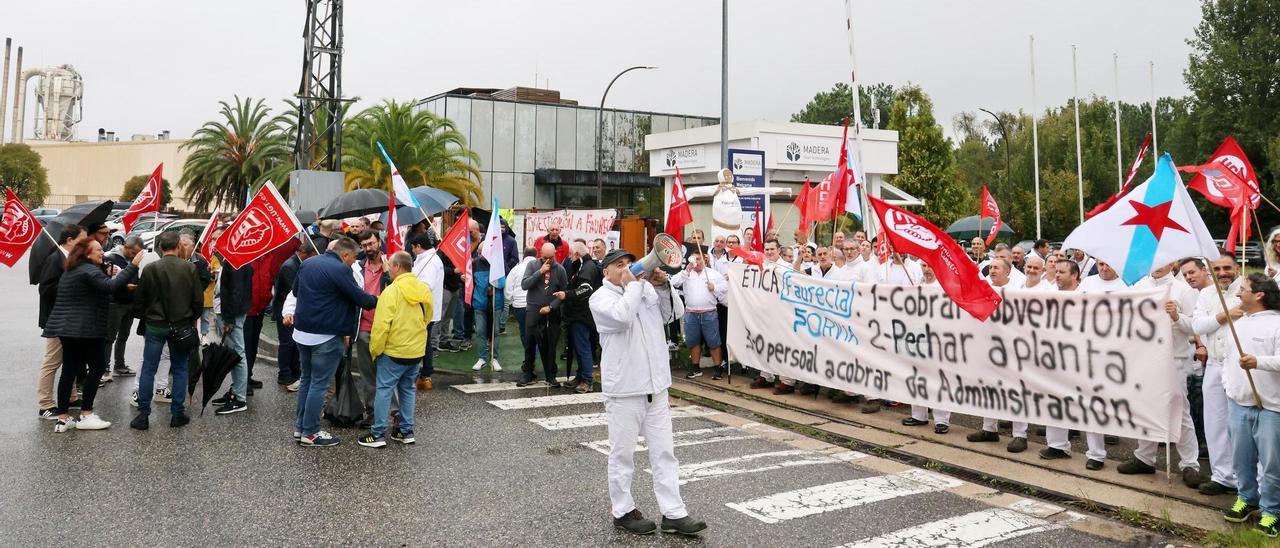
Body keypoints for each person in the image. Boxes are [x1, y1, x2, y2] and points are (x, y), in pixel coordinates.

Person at [590, 249, 708, 536]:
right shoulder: (600, 298)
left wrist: (662, 285)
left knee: (665, 452)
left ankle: (674, 513)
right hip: (625, 390)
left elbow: (673, 314)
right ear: (606, 272)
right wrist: (634, 286)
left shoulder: (643, 289)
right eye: (619, 265)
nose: (627, 268)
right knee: (622, 455)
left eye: (630, 264)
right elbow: (622, 317)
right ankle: (623, 511)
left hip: (656, 386)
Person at [284, 237, 378, 447]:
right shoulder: (341, 269)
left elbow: (297, 292)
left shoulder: (308, 263)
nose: (353, 263)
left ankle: (301, 428)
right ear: (345, 254)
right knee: (319, 384)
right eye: (353, 258)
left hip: (302, 333)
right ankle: (310, 432)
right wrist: (379, 299)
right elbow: (361, 299)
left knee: (307, 380)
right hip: (326, 335)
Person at [1117, 261, 1202, 486]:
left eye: (1163, 261)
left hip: (1174, 358)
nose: (1157, 265)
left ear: (1173, 262)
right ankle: (1145, 457)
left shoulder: (1183, 290)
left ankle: (1190, 463)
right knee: (1146, 407)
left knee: (1179, 410)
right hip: (1145, 358)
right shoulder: (1139, 287)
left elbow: (1195, 326)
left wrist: (1176, 316)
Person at [44, 238, 142, 432]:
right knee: (97, 367)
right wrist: (133, 266)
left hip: (65, 328)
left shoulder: (73, 270)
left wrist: (105, 273)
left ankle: (63, 419)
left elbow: (97, 287)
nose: (102, 252)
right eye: (98, 250)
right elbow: (110, 287)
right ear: (87, 254)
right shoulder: (88, 270)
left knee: (69, 370)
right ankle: (86, 414)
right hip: (85, 329)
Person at [1219, 273, 1280, 537]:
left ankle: (1272, 511)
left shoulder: (1277, 323)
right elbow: (1227, 359)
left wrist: (1258, 362)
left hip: (1272, 408)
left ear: (1259, 295)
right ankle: (1246, 498)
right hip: (1238, 403)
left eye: (1243, 289)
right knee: (1240, 459)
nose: (1237, 293)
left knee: (1272, 464)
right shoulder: (1238, 324)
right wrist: (1228, 385)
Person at [1039, 260, 1112, 470]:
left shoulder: (1087, 297)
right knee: (1055, 399)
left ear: (1075, 276)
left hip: (1083, 357)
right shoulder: (1049, 295)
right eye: (1056, 271)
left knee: (1090, 403)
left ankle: (1096, 454)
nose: (1057, 275)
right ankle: (1057, 445)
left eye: (1062, 272)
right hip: (1056, 356)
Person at [128, 232, 203, 430]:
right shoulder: (189, 268)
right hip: (180, 325)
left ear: (161, 248)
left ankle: (143, 414)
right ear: (178, 247)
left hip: (155, 324)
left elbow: (140, 298)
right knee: (180, 368)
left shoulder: (151, 268)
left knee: (149, 368)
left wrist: (144, 315)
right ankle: (177, 413)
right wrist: (191, 318)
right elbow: (197, 300)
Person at [1182, 253, 1243, 495]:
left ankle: (1247, 481)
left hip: (1241, 365)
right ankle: (1222, 476)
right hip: (1215, 364)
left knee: (1241, 425)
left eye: (1227, 268)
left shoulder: (1247, 290)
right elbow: (1198, 326)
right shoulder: (1206, 294)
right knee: (1214, 422)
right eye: (1217, 269)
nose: (1222, 273)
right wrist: (1223, 316)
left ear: (1237, 267)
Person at [358, 251, 432, 448]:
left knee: (384, 390)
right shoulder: (423, 289)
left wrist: (375, 349)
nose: (388, 269)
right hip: (415, 350)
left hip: (393, 350)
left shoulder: (391, 292)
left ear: (398, 267)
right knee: (408, 390)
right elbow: (427, 317)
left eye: (390, 266)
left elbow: (381, 326)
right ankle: (406, 431)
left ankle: (377, 434)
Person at [966, 258, 1030, 451]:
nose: (992, 270)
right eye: (991, 267)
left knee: (1015, 390)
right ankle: (989, 429)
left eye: (996, 268)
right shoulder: (984, 287)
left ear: (1007, 272)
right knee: (988, 387)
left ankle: (1020, 434)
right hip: (988, 345)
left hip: (1012, 347)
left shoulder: (1018, 291)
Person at [35, 224, 87, 420]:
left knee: (70, 358)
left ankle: (71, 397)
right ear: (70, 240)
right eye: (82, 239)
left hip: (71, 318)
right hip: (56, 319)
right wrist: (70, 283)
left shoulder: (73, 259)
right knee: (52, 361)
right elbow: (45, 289)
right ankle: (45, 404)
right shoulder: (54, 259)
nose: (85, 243)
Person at [902, 262, 950, 432]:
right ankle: (918, 415)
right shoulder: (916, 284)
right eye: (923, 266)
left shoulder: (943, 286)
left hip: (938, 339)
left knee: (938, 379)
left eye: (930, 266)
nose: (927, 269)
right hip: (918, 337)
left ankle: (941, 420)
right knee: (917, 376)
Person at [352, 230, 393, 427]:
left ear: (379, 243)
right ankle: (372, 412)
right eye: (365, 245)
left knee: (388, 373)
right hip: (364, 327)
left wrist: (388, 272)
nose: (368, 248)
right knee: (367, 374)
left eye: (371, 243)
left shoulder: (392, 266)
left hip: (387, 328)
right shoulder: (357, 268)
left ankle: (395, 414)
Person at [518, 242, 568, 387]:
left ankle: (550, 375)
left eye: (551, 258)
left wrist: (552, 306)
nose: (548, 261)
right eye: (545, 257)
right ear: (540, 254)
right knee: (529, 343)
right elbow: (524, 285)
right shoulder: (532, 265)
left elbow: (563, 294)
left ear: (555, 254)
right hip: (533, 310)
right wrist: (540, 272)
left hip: (551, 313)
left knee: (550, 345)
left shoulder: (560, 270)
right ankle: (528, 373)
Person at [671, 254, 726, 381]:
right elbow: (673, 282)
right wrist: (686, 271)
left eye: (698, 259)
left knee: (713, 341)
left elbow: (725, 286)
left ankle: (718, 368)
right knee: (693, 342)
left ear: (704, 260)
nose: (696, 262)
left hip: (709, 312)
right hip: (691, 313)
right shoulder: (686, 273)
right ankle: (695, 368)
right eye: (694, 259)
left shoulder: (713, 273)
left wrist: (715, 287)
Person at [211, 254, 253, 415]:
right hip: (231, 312)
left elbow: (235, 291)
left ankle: (239, 398)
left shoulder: (235, 260)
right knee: (234, 353)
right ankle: (236, 391)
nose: (215, 245)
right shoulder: (237, 259)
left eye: (217, 241)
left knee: (237, 354)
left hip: (231, 314)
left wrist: (229, 319)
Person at [558, 241, 602, 393]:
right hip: (578, 314)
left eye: (571, 254)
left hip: (582, 315)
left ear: (577, 254)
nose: (569, 258)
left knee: (583, 348)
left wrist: (567, 294)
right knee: (579, 348)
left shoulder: (587, 267)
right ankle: (580, 376)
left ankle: (587, 381)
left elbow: (586, 289)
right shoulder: (584, 266)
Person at [274, 238, 316, 391]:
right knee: (286, 343)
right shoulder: (289, 266)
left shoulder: (298, 264)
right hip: (285, 311)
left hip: (294, 311)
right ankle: (284, 373)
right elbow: (295, 290)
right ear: (305, 253)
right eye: (313, 255)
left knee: (293, 344)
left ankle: (294, 371)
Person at [103, 235, 144, 382]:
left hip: (129, 303)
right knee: (109, 338)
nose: (134, 256)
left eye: (137, 254)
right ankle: (104, 369)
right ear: (126, 247)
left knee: (123, 336)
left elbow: (134, 276)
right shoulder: (111, 258)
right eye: (133, 253)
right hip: (115, 303)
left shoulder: (133, 260)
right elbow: (107, 282)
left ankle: (119, 365)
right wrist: (126, 287)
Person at [410, 233, 445, 391]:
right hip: (427, 307)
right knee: (425, 340)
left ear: (418, 246)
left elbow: (427, 285)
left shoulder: (429, 261)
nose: (412, 251)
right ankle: (425, 372)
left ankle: (425, 373)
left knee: (423, 341)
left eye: (413, 248)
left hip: (425, 307)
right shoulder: (428, 259)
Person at [506, 248, 539, 377]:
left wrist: (511, 301)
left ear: (524, 255)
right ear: (536, 255)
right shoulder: (540, 268)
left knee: (524, 333)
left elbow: (508, 288)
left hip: (519, 305)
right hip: (535, 305)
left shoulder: (516, 269)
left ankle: (529, 360)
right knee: (536, 333)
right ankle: (532, 360)